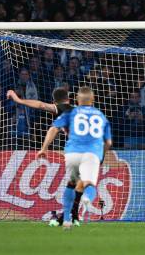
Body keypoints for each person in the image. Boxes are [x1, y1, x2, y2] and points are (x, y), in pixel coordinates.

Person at [6, 87, 84, 226]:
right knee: (79, 182)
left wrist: (19, 100)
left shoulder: (63, 109)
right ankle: (72, 215)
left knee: (75, 182)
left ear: (54, 101)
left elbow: (41, 106)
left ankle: (67, 216)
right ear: (69, 99)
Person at [38, 87, 113, 230]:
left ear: (77, 101)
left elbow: (54, 128)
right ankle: (86, 200)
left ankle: (67, 219)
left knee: (72, 183)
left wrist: (44, 148)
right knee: (89, 184)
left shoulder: (71, 112)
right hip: (91, 153)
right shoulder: (100, 115)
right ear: (93, 100)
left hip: (72, 152)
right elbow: (108, 142)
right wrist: (101, 156)